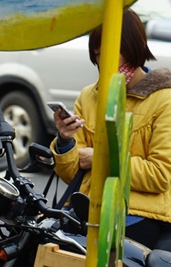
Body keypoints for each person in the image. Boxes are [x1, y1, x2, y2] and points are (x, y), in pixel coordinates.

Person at [52, 9, 171, 251]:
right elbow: (73, 174)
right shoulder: (89, 96)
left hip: (138, 213)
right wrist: (65, 141)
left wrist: (101, 159)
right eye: (97, 55)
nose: (103, 62)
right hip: (85, 207)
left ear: (134, 47)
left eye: (110, 53)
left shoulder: (164, 99)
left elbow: (159, 175)